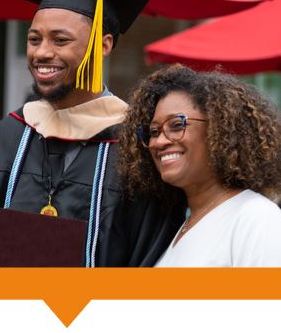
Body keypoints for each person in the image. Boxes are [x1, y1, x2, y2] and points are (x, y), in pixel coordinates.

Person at [0, 0, 183, 267]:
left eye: (60, 40)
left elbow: (151, 260)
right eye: (34, 39)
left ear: (104, 45)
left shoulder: (141, 150)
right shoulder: (2, 141)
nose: (42, 53)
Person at [119, 64, 281, 267]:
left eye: (177, 125)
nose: (159, 142)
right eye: (153, 132)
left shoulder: (255, 218)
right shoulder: (180, 227)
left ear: (219, 129)